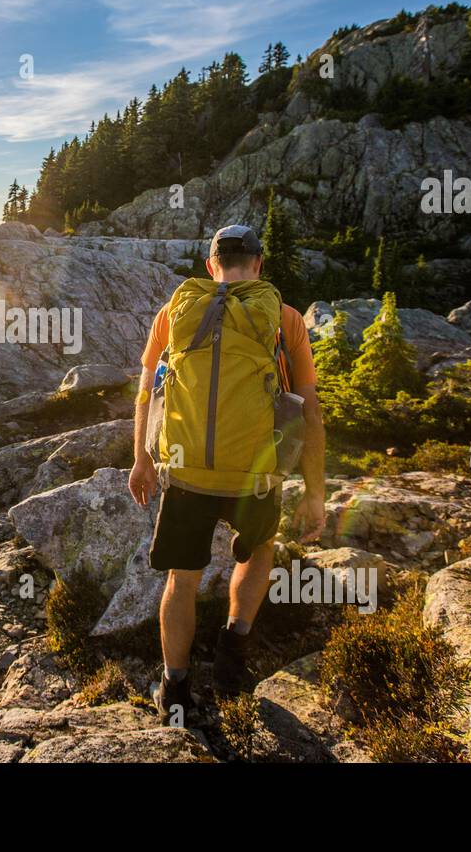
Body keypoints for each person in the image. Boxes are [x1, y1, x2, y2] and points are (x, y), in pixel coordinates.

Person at [128, 224, 327, 720]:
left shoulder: (174, 314)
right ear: (259, 265)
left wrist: (142, 458)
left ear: (210, 266)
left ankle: (174, 688)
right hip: (254, 476)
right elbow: (310, 412)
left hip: (187, 474)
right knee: (259, 550)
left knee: (182, 579)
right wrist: (315, 492)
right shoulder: (283, 319)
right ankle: (234, 649)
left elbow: (148, 391)